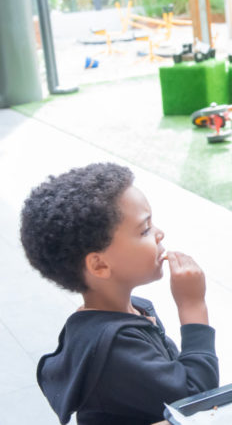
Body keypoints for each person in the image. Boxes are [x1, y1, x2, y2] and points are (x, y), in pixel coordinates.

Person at [20, 163, 219, 425]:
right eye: (145, 229)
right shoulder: (113, 345)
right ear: (100, 265)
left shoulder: (135, 309)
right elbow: (194, 400)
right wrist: (193, 308)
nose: (160, 233)